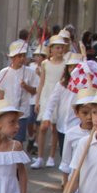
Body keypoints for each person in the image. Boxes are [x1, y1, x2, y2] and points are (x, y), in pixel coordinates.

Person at [34, 34, 68, 168]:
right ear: (51, 49)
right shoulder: (45, 63)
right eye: (57, 48)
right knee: (43, 128)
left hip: (59, 97)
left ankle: (52, 156)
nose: (60, 50)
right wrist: (37, 100)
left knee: (55, 128)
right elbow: (41, 83)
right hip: (46, 96)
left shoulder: (66, 64)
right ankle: (40, 156)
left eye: (62, 48)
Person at [0, 41, 39, 144]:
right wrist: (0, 110)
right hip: (7, 112)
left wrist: (26, 86)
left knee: (18, 141)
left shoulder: (30, 72)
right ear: (12, 58)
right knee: (5, 140)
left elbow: (34, 91)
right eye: (19, 56)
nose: (22, 58)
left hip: (22, 113)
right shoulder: (4, 72)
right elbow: (0, 92)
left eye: (23, 56)